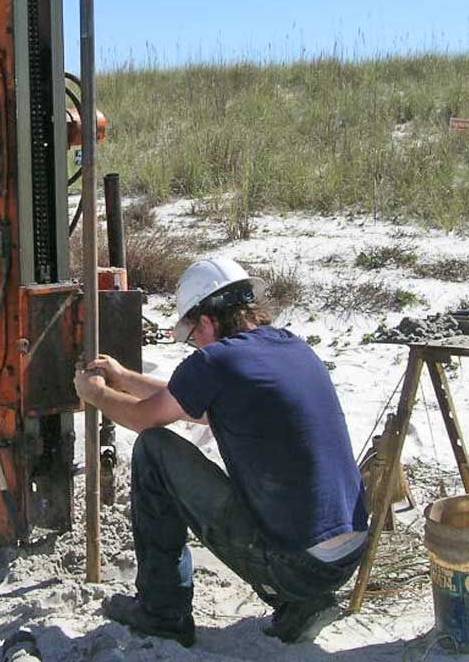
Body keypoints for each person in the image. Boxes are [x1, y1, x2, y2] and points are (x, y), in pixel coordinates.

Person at [74, 257, 367, 647]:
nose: (194, 342)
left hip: (295, 565)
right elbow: (192, 404)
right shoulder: (290, 347)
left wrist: (95, 394)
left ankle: (162, 612)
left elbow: (147, 419)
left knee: (154, 450)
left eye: (193, 332)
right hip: (345, 560)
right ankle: (302, 606)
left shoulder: (216, 361)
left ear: (208, 321)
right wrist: (124, 378)